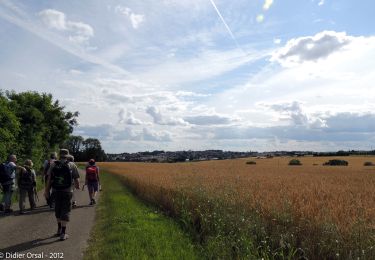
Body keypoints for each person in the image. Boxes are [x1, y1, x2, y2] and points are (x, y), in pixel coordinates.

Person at [45, 149, 80, 241]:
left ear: (59, 155)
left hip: (56, 191)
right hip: (67, 191)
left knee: (58, 209)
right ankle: (63, 233)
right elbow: (76, 179)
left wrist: (46, 191)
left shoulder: (53, 164)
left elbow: (49, 179)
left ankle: (59, 228)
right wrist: (77, 186)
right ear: (67, 155)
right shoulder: (72, 165)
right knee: (66, 210)